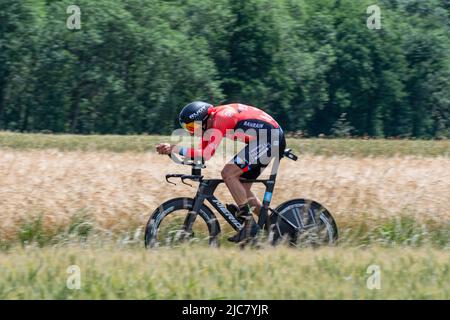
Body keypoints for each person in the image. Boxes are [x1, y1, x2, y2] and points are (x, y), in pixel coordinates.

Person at [156, 101, 286, 242]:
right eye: (187, 127)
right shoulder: (210, 123)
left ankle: (249, 224)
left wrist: (174, 148)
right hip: (264, 139)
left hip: (271, 138)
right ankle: (276, 231)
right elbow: (200, 154)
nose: (192, 131)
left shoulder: (222, 117)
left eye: (193, 126)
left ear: (204, 119)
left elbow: (205, 154)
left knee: (228, 174)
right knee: (243, 189)